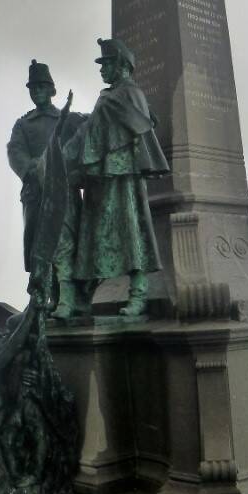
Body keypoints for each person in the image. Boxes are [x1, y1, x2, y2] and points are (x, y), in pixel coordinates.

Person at [65, 38, 169, 317]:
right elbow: (92, 129)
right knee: (94, 235)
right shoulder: (108, 96)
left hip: (123, 175)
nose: (102, 69)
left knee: (131, 231)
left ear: (121, 65)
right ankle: (85, 297)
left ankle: (138, 294)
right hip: (100, 175)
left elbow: (136, 131)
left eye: (106, 63)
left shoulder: (130, 94)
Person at [7, 60, 85, 315]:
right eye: (33, 88)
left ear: (52, 90)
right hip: (36, 193)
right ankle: (49, 296)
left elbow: (82, 141)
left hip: (62, 191)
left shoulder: (68, 119)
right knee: (39, 246)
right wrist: (36, 168)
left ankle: (68, 298)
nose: (37, 91)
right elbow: (15, 153)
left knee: (65, 241)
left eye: (42, 87)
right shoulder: (23, 125)